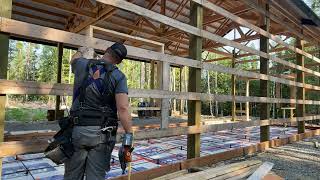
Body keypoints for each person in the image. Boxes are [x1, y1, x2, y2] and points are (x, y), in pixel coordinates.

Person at [64, 43, 133, 180]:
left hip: (77, 131)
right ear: (119, 61)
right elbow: (123, 108)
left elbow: (73, 60)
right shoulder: (119, 76)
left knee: (72, 175)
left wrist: (81, 50)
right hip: (102, 135)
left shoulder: (82, 64)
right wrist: (129, 133)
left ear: (106, 50)